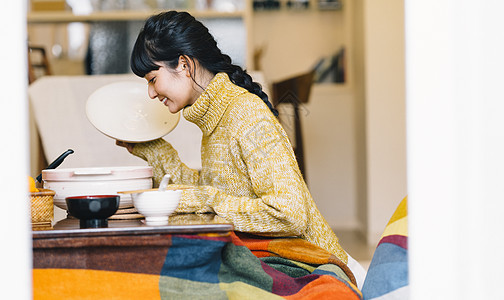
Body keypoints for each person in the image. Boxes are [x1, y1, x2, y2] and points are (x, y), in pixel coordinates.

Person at [118, 11, 365, 283]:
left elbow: (290, 214)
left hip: (309, 263)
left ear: (184, 65)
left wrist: (204, 201)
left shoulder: (245, 114)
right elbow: (221, 190)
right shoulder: (216, 116)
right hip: (273, 258)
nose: (151, 93)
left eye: (153, 79)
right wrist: (155, 149)